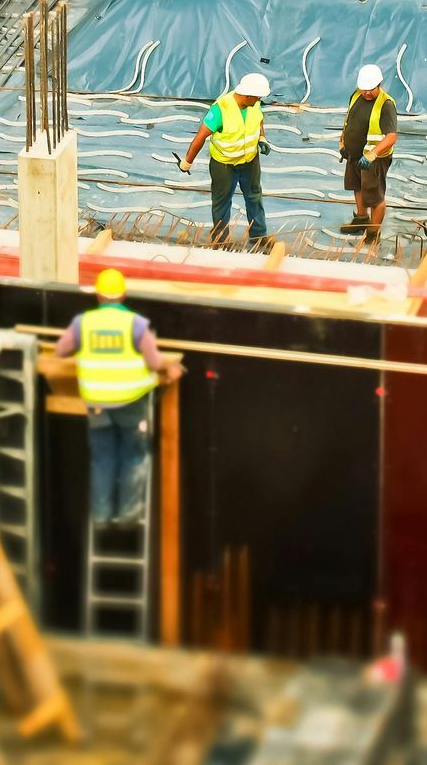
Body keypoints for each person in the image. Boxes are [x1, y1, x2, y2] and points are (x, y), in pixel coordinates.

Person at [54, 268, 180, 527]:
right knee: (134, 456)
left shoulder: (83, 323)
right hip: (131, 402)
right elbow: (154, 361)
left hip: (97, 404)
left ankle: (100, 515)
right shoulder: (135, 325)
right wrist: (171, 369)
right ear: (123, 294)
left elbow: (60, 350)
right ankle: (129, 514)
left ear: (98, 295)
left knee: (102, 458)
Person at [179, 72, 270, 247]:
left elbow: (259, 120)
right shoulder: (221, 109)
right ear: (247, 94)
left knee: (254, 198)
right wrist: (187, 162)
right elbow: (200, 137)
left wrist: (262, 139)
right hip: (224, 165)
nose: (259, 100)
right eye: (257, 96)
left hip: (250, 162)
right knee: (221, 203)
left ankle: (258, 237)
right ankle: (221, 242)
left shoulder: (254, 105)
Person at [340, 63, 398, 242]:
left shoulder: (386, 104)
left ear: (379, 84)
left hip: (373, 161)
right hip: (353, 155)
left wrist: (372, 154)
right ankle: (361, 219)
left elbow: (391, 137)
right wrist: (342, 142)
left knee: (375, 196)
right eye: (363, 88)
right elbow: (349, 120)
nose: (366, 92)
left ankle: (373, 232)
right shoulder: (356, 95)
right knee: (356, 187)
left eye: (370, 89)